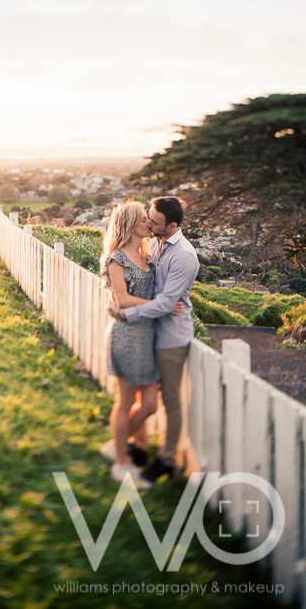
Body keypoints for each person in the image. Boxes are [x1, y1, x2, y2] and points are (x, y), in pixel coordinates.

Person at [107, 196, 200, 486]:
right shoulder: (155, 244)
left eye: (154, 221)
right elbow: (134, 292)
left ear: (172, 226)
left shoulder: (183, 255)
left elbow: (163, 303)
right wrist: (122, 306)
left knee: (166, 401)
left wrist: (126, 312)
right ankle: (125, 448)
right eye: (147, 218)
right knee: (133, 401)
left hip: (169, 336)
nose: (149, 223)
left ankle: (167, 460)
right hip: (144, 334)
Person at [99, 200, 162, 485]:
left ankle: (118, 442)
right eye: (143, 219)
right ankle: (121, 461)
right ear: (129, 224)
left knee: (149, 405)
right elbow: (122, 300)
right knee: (126, 402)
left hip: (148, 337)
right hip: (126, 335)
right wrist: (160, 305)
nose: (148, 223)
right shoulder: (117, 258)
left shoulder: (147, 255)